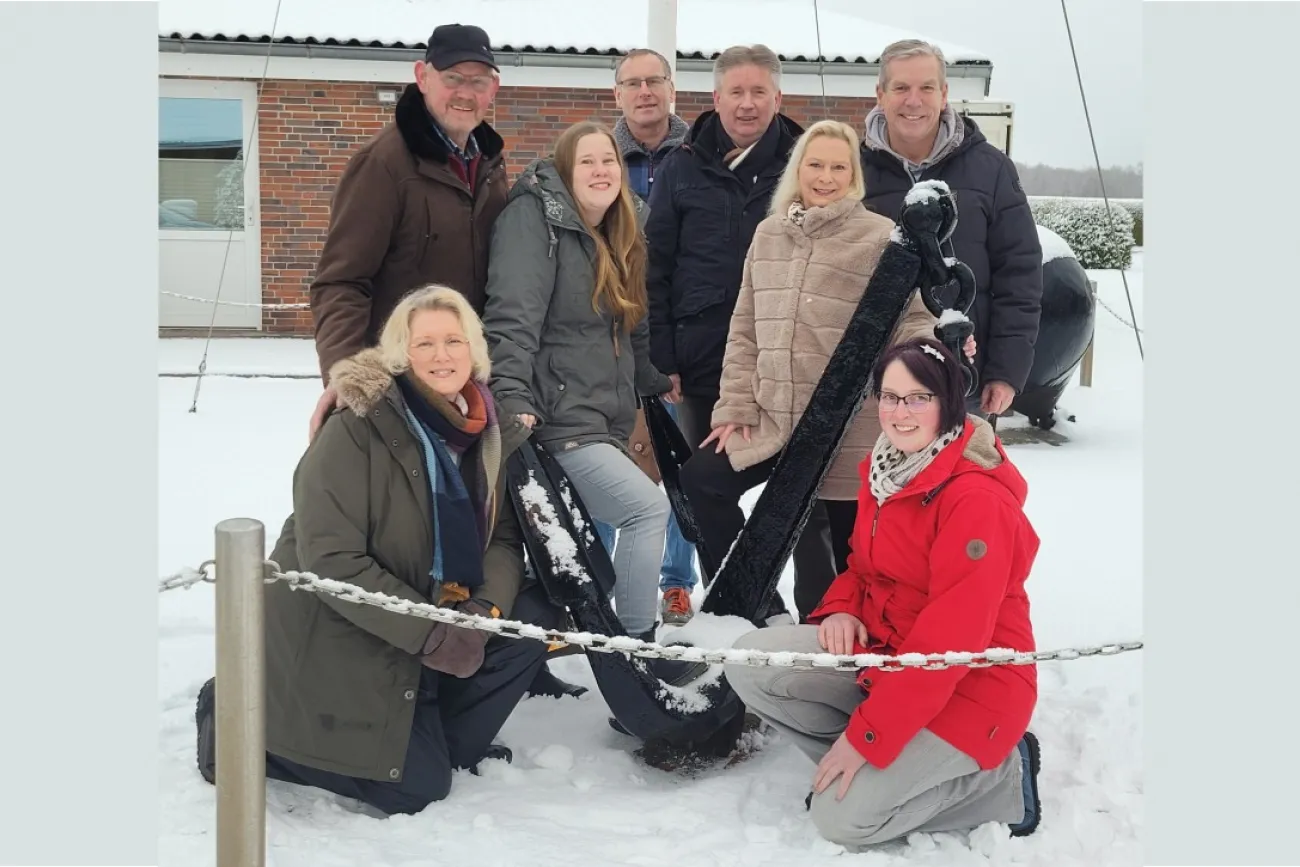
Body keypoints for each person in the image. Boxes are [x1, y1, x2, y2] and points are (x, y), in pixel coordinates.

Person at [195, 285, 568, 816]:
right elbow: (332, 559)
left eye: (454, 341)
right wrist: (431, 632)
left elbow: (504, 540)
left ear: (474, 351)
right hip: (343, 624)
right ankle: (230, 719)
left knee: (529, 616)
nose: (443, 356)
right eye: (425, 344)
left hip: (432, 609)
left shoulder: (487, 433)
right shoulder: (357, 428)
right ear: (400, 354)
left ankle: (435, 733)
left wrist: (481, 615)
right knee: (418, 788)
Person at [722, 337, 1042, 851]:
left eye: (918, 397)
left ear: (950, 402)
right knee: (750, 661)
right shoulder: (886, 467)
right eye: (889, 397)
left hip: (973, 685)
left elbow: (950, 643)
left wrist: (865, 737)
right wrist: (843, 609)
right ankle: (884, 762)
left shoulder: (974, 500)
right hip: (891, 655)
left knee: (842, 822)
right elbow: (862, 568)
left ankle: (1001, 778)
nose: (900, 411)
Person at [681, 120, 972, 623]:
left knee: (833, 564)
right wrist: (735, 406)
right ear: (798, 169)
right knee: (701, 481)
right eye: (815, 164)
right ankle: (757, 609)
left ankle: (829, 659)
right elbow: (745, 326)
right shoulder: (769, 235)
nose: (826, 177)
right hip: (772, 420)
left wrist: (941, 348)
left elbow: (913, 323)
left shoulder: (880, 238)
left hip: (846, 432)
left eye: (839, 167)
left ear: (854, 176)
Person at [481, 121, 676, 642]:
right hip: (555, 414)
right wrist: (513, 396)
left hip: (599, 414)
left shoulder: (622, 228)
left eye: (608, 160)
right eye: (587, 161)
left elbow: (631, 322)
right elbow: (511, 318)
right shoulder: (534, 222)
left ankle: (540, 651)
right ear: (566, 170)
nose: (600, 170)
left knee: (568, 544)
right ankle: (636, 647)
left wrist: (650, 379)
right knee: (644, 510)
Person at [644, 43, 804, 621]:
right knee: (704, 487)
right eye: (735, 92)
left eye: (759, 91)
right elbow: (655, 263)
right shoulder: (683, 166)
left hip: (787, 362)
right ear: (715, 99)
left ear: (778, 98)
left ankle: (804, 612)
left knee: (798, 490)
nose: (747, 103)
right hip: (704, 360)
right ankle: (738, 607)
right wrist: (663, 353)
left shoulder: (804, 163)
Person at [307, 23, 509, 433]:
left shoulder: (489, 165)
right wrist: (349, 376)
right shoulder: (383, 165)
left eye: (478, 81)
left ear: (494, 88)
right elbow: (341, 281)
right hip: (399, 385)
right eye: (453, 78)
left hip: (465, 383)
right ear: (422, 76)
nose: (466, 93)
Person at [860, 39, 1042, 419]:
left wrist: (1006, 372)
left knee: (961, 480)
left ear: (944, 95)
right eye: (901, 88)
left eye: (926, 87)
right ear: (880, 95)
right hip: (873, 384)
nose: (914, 100)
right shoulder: (849, 170)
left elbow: (1020, 275)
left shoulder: (991, 170)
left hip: (964, 378)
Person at [611, 47, 699, 625]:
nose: (644, 91)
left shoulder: (700, 156)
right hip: (610, 339)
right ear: (617, 94)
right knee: (605, 458)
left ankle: (674, 581)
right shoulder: (595, 159)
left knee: (679, 464)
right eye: (632, 83)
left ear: (672, 88)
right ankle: (601, 577)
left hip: (682, 335)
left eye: (654, 81)